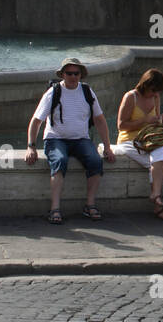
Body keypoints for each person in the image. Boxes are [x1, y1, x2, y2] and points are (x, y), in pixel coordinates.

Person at [24, 57, 116, 224]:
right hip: (55, 139)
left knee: (95, 161)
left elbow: (100, 120)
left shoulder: (87, 91)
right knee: (60, 160)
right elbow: (36, 121)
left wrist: (108, 147)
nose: (73, 77)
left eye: (76, 73)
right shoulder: (53, 92)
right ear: (62, 75)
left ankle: (90, 204)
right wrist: (31, 146)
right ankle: (55, 208)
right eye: (69, 73)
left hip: (81, 139)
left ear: (81, 75)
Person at [111, 69, 163, 220]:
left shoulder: (156, 97)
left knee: (162, 150)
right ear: (145, 84)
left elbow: (156, 121)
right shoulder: (130, 97)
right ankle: (158, 204)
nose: (154, 94)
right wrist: (144, 120)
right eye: (152, 90)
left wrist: (160, 119)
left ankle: (156, 195)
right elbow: (121, 125)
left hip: (149, 139)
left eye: (157, 91)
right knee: (158, 164)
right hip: (129, 141)